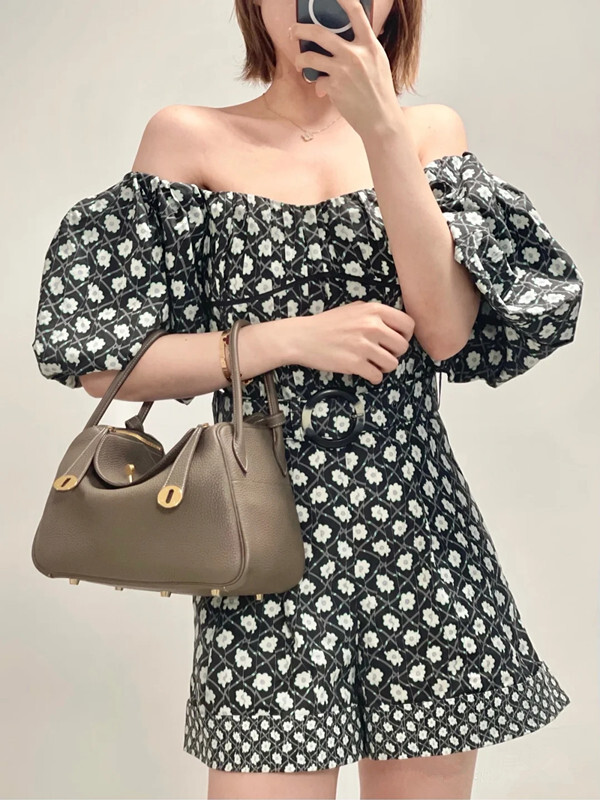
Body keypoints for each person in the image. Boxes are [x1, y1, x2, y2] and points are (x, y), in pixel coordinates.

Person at [31, 0, 584, 797]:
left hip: (421, 542)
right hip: (256, 541)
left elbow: (446, 332)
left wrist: (382, 129)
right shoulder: (188, 138)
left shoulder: (428, 135)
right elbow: (105, 362)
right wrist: (285, 339)